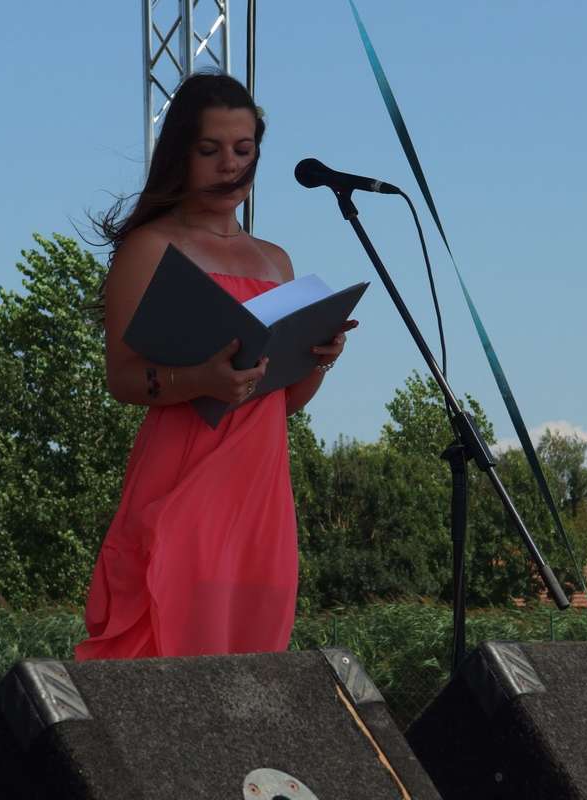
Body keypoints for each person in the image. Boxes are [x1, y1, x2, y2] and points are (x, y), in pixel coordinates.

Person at [74, 72, 356, 660]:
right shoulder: (150, 248)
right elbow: (121, 378)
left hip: (260, 492)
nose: (230, 164)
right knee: (165, 656)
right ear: (181, 152)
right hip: (182, 479)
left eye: (243, 149)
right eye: (210, 149)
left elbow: (282, 401)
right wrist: (200, 380)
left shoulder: (276, 260)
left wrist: (318, 360)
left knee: (252, 663)